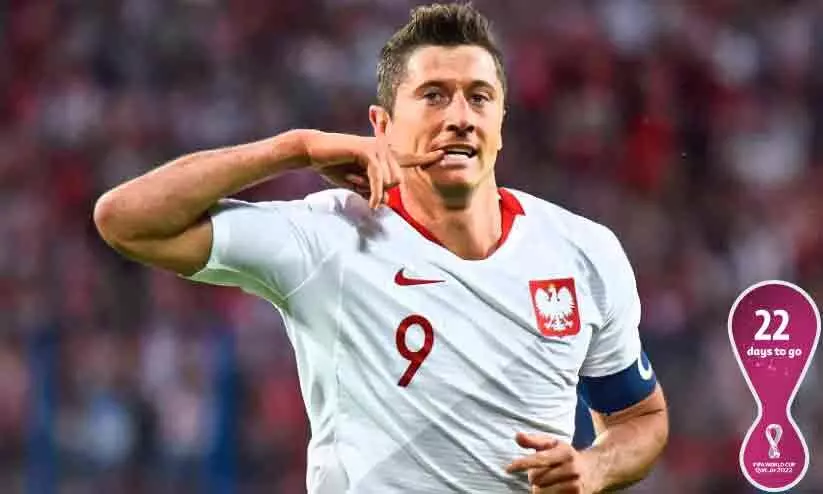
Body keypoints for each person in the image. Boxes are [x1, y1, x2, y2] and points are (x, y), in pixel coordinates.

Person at [94, 3, 668, 493]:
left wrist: (594, 467)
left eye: (479, 98)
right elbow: (127, 220)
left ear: (501, 121)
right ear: (383, 125)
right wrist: (295, 148)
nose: (460, 118)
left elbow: (640, 418)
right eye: (434, 96)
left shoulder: (583, 252)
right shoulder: (330, 237)